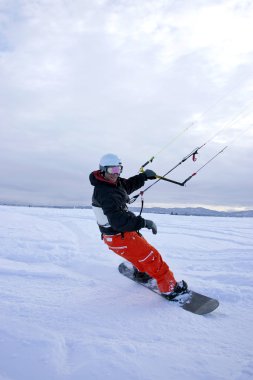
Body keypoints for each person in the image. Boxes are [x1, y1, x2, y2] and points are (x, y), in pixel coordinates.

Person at [89, 153, 187, 297]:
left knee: (139, 254)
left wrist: (144, 176)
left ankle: (141, 273)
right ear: (103, 170)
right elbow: (119, 221)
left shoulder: (112, 183)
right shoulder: (105, 193)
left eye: (118, 169)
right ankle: (170, 289)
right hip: (119, 235)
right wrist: (144, 223)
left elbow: (127, 185)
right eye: (112, 170)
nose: (115, 174)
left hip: (120, 235)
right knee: (151, 257)